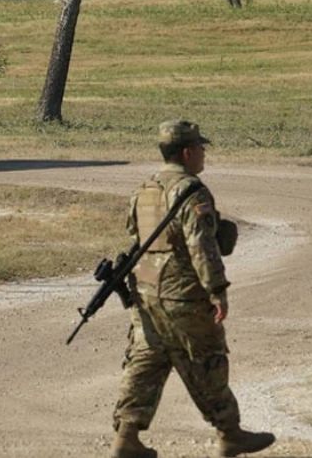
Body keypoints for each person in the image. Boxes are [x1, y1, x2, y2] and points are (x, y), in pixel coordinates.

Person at [110, 120, 275, 458]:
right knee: (207, 359)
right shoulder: (191, 191)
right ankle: (230, 433)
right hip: (182, 293)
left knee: (146, 361)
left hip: (147, 292)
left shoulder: (144, 189)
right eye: (201, 148)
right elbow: (202, 246)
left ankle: (126, 438)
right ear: (187, 152)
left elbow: (135, 238)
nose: (204, 154)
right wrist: (217, 290)